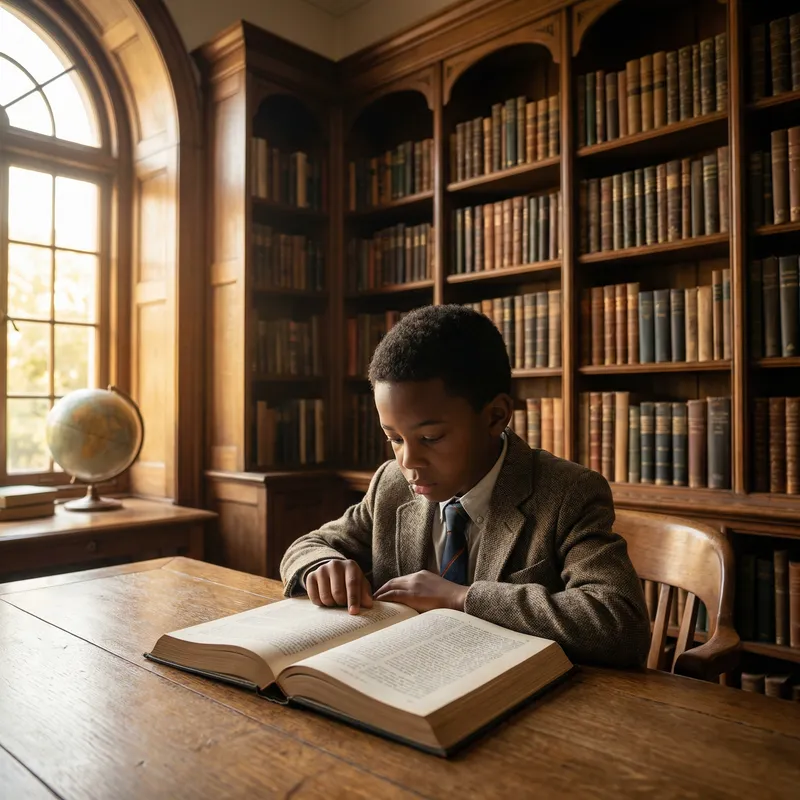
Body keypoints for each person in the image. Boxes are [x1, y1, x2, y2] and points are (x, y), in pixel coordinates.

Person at [280, 304, 651, 666]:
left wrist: (462, 598)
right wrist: (322, 564)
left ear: (495, 416)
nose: (408, 461)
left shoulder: (568, 493)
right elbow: (308, 546)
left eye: (431, 437)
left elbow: (619, 622)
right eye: (393, 438)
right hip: (402, 677)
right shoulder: (391, 484)